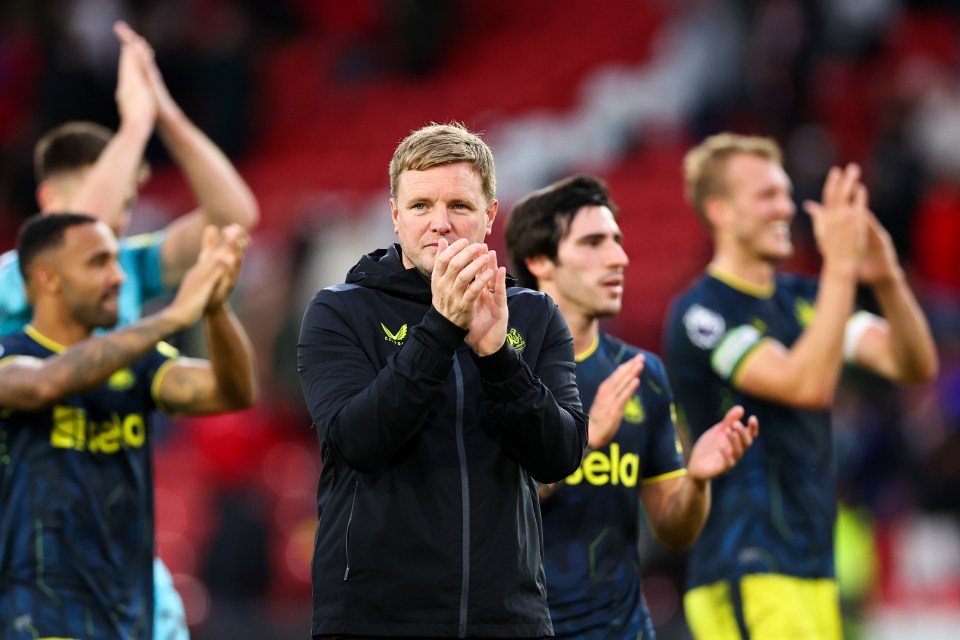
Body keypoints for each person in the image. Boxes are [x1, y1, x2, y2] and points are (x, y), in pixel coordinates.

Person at [0, 21, 259, 637]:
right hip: (29, 565)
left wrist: (164, 112)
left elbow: (235, 218)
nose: (118, 217)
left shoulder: (122, 269)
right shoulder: (12, 278)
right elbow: (80, 226)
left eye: (126, 199)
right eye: (106, 193)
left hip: (122, 571)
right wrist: (133, 123)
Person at [297, 123, 589, 639]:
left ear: (490, 214)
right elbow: (357, 441)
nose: (440, 224)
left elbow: (560, 455)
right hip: (374, 621)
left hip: (508, 619)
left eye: (459, 205)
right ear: (394, 215)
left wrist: (497, 357)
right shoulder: (339, 311)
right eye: (420, 206)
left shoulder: (534, 315)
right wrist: (441, 327)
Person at [664, 133, 939, 639]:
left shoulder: (804, 300)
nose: (786, 208)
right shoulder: (702, 311)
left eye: (786, 193)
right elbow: (806, 384)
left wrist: (885, 276)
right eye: (767, 195)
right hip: (747, 565)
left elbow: (913, 363)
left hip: (812, 569)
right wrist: (839, 263)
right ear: (720, 210)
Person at [504, 174, 758, 640]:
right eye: (593, 243)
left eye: (617, 242)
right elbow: (486, 512)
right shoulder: (498, 367)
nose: (619, 258)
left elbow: (674, 532)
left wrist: (698, 482)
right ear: (540, 260)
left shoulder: (643, 375)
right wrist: (582, 441)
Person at [0, 213, 257, 639]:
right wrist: (173, 316)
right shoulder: (12, 356)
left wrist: (214, 308)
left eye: (117, 262)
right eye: (99, 263)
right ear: (48, 278)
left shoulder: (137, 362)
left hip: (127, 618)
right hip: (37, 615)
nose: (119, 277)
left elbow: (232, 393)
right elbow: (46, 384)